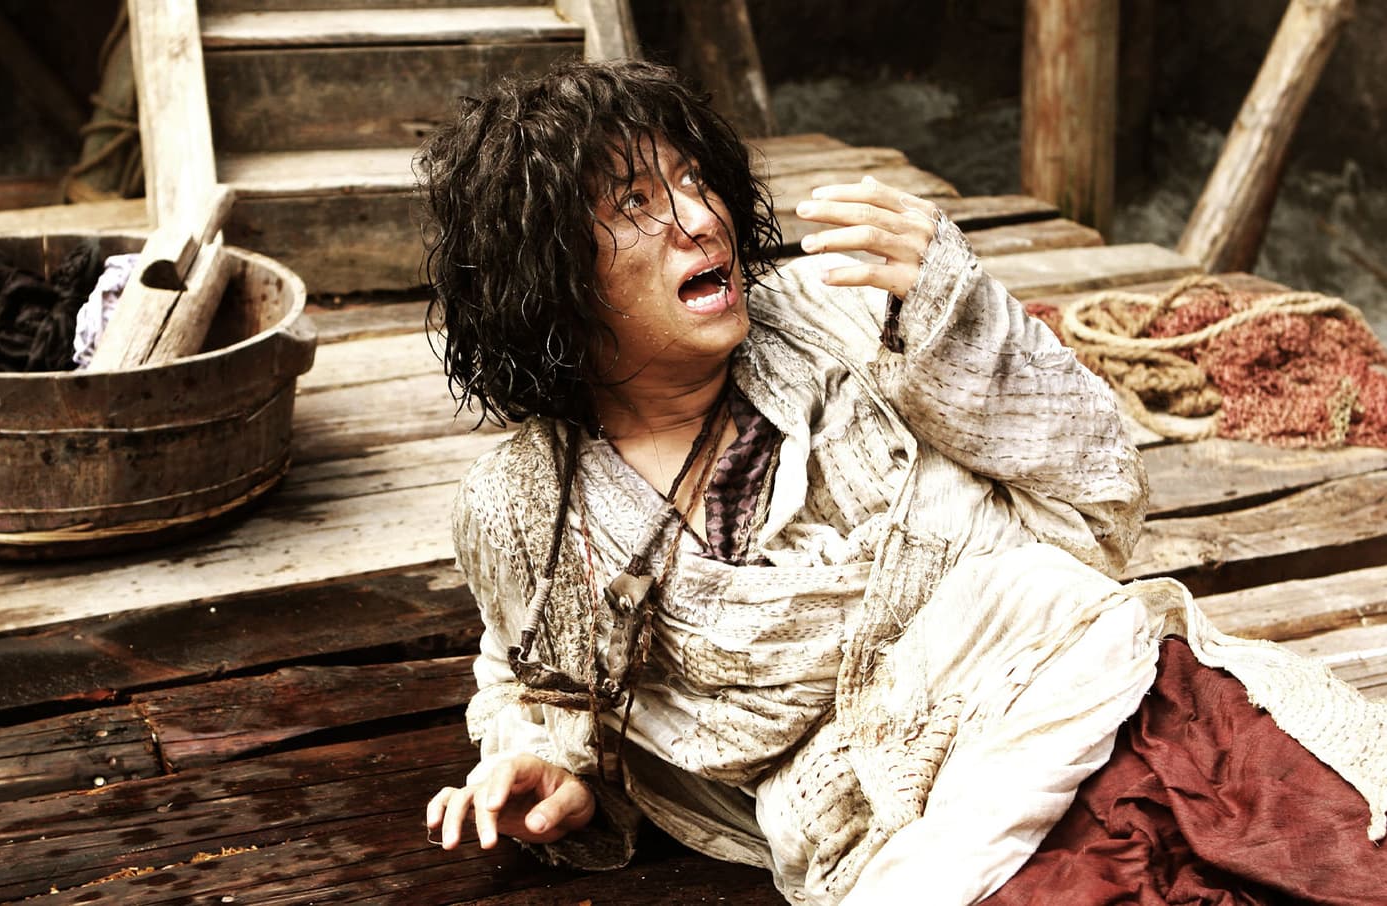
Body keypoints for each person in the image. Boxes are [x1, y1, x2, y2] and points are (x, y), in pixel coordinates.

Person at [417, 59, 1387, 904]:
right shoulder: (534, 507)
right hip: (914, 826)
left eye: (694, 180)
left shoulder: (843, 314)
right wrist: (548, 765)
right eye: (636, 204)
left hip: (1104, 684)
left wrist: (958, 314)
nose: (702, 219)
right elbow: (535, 677)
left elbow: (1097, 485)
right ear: (550, 277)